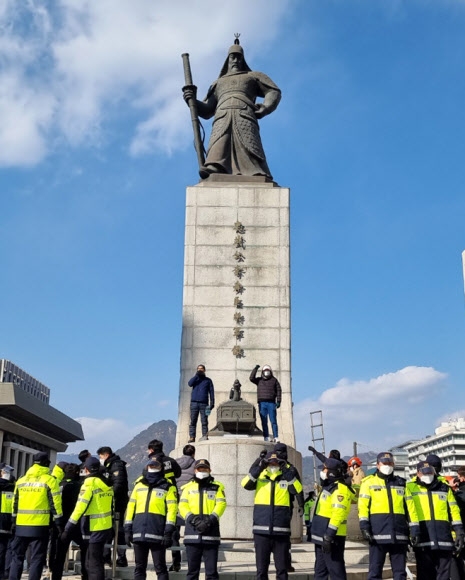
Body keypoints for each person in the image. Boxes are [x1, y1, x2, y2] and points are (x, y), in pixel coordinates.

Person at [182, 38, 281, 180]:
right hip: (222, 116)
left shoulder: (252, 76)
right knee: (219, 142)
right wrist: (192, 100)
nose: (236, 60)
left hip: (244, 114)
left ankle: (255, 170)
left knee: (250, 145)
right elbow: (207, 109)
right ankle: (215, 166)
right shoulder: (218, 83)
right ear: (227, 60)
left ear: (244, 59)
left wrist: (265, 107)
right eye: (233, 57)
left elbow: (273, 91)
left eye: (239, 57)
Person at [242, 451, 303, 580]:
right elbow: (245, 484)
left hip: (281, 530)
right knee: (261, 570)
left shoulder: (286, 476)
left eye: (276, 462)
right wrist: (260, 466)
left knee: (281, 570)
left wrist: (285, 470)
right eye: (270, 462)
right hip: (261, 530)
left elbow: (297, 489)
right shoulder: (260, 475)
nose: (273, 464)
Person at [358, 451, 419, 580]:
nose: (388, 465)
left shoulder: (402, 483)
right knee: (375, 572)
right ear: (378, 465)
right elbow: (363, 507)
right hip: (377, 534)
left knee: (400, 573)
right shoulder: (368, 483)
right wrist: (364, 526)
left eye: (390, 463)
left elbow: (411, 509)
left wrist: (414, 530)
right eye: (385, 463)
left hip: (399, 535)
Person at [406, 460, 464, 580]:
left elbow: (454, 511)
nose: (428, 475)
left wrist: (459, 532)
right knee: (425, 574)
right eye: (424, 472)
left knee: (444, 574)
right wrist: (412, 533)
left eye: (430, 472)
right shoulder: (410, 488)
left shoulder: (444, 488)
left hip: (443, 538)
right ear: (418, 473)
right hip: (423, 538)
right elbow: (408, 512)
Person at [9, 452, 63, 580]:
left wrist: (13, 520)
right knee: (37, 558)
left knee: (17, 557)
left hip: (21, 525)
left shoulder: (21, 480)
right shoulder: (50, 480)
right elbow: (55, 503)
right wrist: (59, 522)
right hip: (40, 526)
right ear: (46, 463)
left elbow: (14, 503)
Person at [124, 458, 178, 580]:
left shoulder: (168, 486)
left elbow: (172, 510)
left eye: (156, 466)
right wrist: (127, 529)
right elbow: (131, 507)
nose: (153, 468)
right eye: (151, 466)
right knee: (139, 568)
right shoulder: (139, 485)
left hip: (158, 534)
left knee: (160, 568)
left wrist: (168, 532)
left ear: (161, 469)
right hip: (138, 533)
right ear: (146, 468)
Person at [62, 457, 113, 580]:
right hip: (105, 526)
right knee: (97, 561)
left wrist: (68, 527)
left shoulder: (88, 484)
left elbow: (80, 507)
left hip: (93, 527)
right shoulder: (106, 484)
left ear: (86, 469)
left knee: (92, 563)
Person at [178, 459, 226, 580]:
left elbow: (221, 504)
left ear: (210, 471)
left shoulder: (217, 487)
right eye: (200, 469)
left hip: (211, 535)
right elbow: (182, 506)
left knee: (211, 574)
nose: (202, 471)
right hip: (192, 535)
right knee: (192, 573)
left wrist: (210, 520)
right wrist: (194, 520)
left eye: (205, 469)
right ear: (195, 470)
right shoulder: (187, 488)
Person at [311, 458, 355, 580]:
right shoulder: (328, 486)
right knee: (320, 572)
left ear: (331, 472)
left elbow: (338, 513)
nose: (322, 471)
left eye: (324, 469)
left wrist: (329, 535)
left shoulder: (340, 489)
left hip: (332, 537)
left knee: (336, 572)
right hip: (321, 537)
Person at [51, 463, 88, 580]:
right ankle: (85, 575)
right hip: (75, 524)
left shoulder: (59, 485)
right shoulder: (79, 486)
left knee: (60, 554)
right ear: (77, 473)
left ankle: (56, 576)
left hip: (61, 523)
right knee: (84, 549)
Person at [273, 443, 304, 572]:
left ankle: (286, 563)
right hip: (269, 508)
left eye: (281, 452)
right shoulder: (269, 467)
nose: (280, 455)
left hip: (286, 508)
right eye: (277, 452)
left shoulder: (291, 469)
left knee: (284, 538)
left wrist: (301, 504)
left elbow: (298, 488)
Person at [97, 446, 129, 567]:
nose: (100, 459)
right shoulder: (110, 465)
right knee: (109, 529)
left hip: (117, 502)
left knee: (118, 528)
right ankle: (106, 556)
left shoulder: (116, 465)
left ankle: (121, 557)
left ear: (105, 455)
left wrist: (109, 496)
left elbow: (118, 483)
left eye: (100, 456)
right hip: (111, 501)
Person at [170, 444, 196, 572]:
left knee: (175, 534)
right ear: (193, 454)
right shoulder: (196, 465)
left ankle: (176, 562)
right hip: (190, 502)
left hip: (175, 500)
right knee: (191, 534)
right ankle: (192, 563)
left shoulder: (175, 464)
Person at [249, 364, 282, 442]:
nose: (267, 372)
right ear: (263, 372)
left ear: (270, 371)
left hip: (271, 403)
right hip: (262, 403)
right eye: (265, 371)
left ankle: (276, 437)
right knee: (264, 421)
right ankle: (266, 436)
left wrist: (279, 401)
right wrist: (255, 368)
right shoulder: (259, 380)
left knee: (273, 421)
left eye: (268, 371)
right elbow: (251, 378)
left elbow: (279, 390)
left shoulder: (274, 380)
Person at [187, 364, 215, 443]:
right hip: (194, 403)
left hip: (204, 404)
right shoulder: (195, 379)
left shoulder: (208, 380)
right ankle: (192, 437)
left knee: (204, 421)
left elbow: (211, 392)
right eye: (198, 369)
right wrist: (196, 376)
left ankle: (204, 435)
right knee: (193, 421)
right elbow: (189, 384)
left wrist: (212, 403)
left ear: (204, 370)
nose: (200, 370)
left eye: (201, 369)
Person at [0, 463, 14, 580]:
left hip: (7, 522)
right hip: (7, 522)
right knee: (6, 549)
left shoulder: (12, 486)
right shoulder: (10, 486)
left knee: (4, 549)